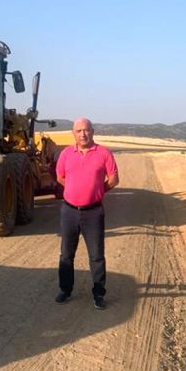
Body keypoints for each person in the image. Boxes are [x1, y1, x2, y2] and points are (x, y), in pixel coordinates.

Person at [54, 118, 119, 309]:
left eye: (86, 130)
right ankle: (65, 290)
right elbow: (60, 177)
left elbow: (114, 179)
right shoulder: (66, 153)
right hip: (69, 211)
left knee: (97, 256)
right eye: (79, 130)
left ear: (92, 131)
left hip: (94, 212)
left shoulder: (104, 153)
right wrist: (75, 191)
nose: (83, 134)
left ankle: (98, 294)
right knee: (66, 254)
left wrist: (97, 191)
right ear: (73, 133)